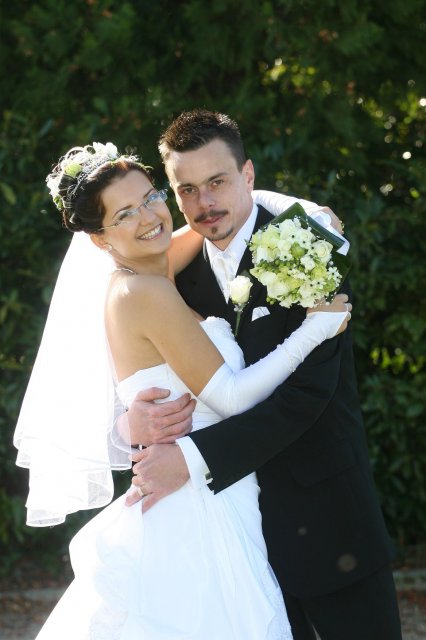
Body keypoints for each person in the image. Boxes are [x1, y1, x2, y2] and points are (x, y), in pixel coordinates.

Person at [14, 141, 352, 639]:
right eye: (124, 214)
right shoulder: (141, 291)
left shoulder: (157, 265)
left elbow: (225, 211)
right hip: (194, 508)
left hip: (221, 492)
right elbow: (231, 398)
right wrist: (316, 329)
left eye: (150, 197)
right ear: (99, 239)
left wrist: (305, 211)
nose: (148, 216)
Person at [124, 110, 402, 640]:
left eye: (217, 182)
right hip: (234, 538)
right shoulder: (173, 275)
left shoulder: (308, 247)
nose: (205, 203)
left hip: (329, 520)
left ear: (248, 174)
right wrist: (129, 422)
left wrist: (193, 459)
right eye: (187, 190)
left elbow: (306, 396)